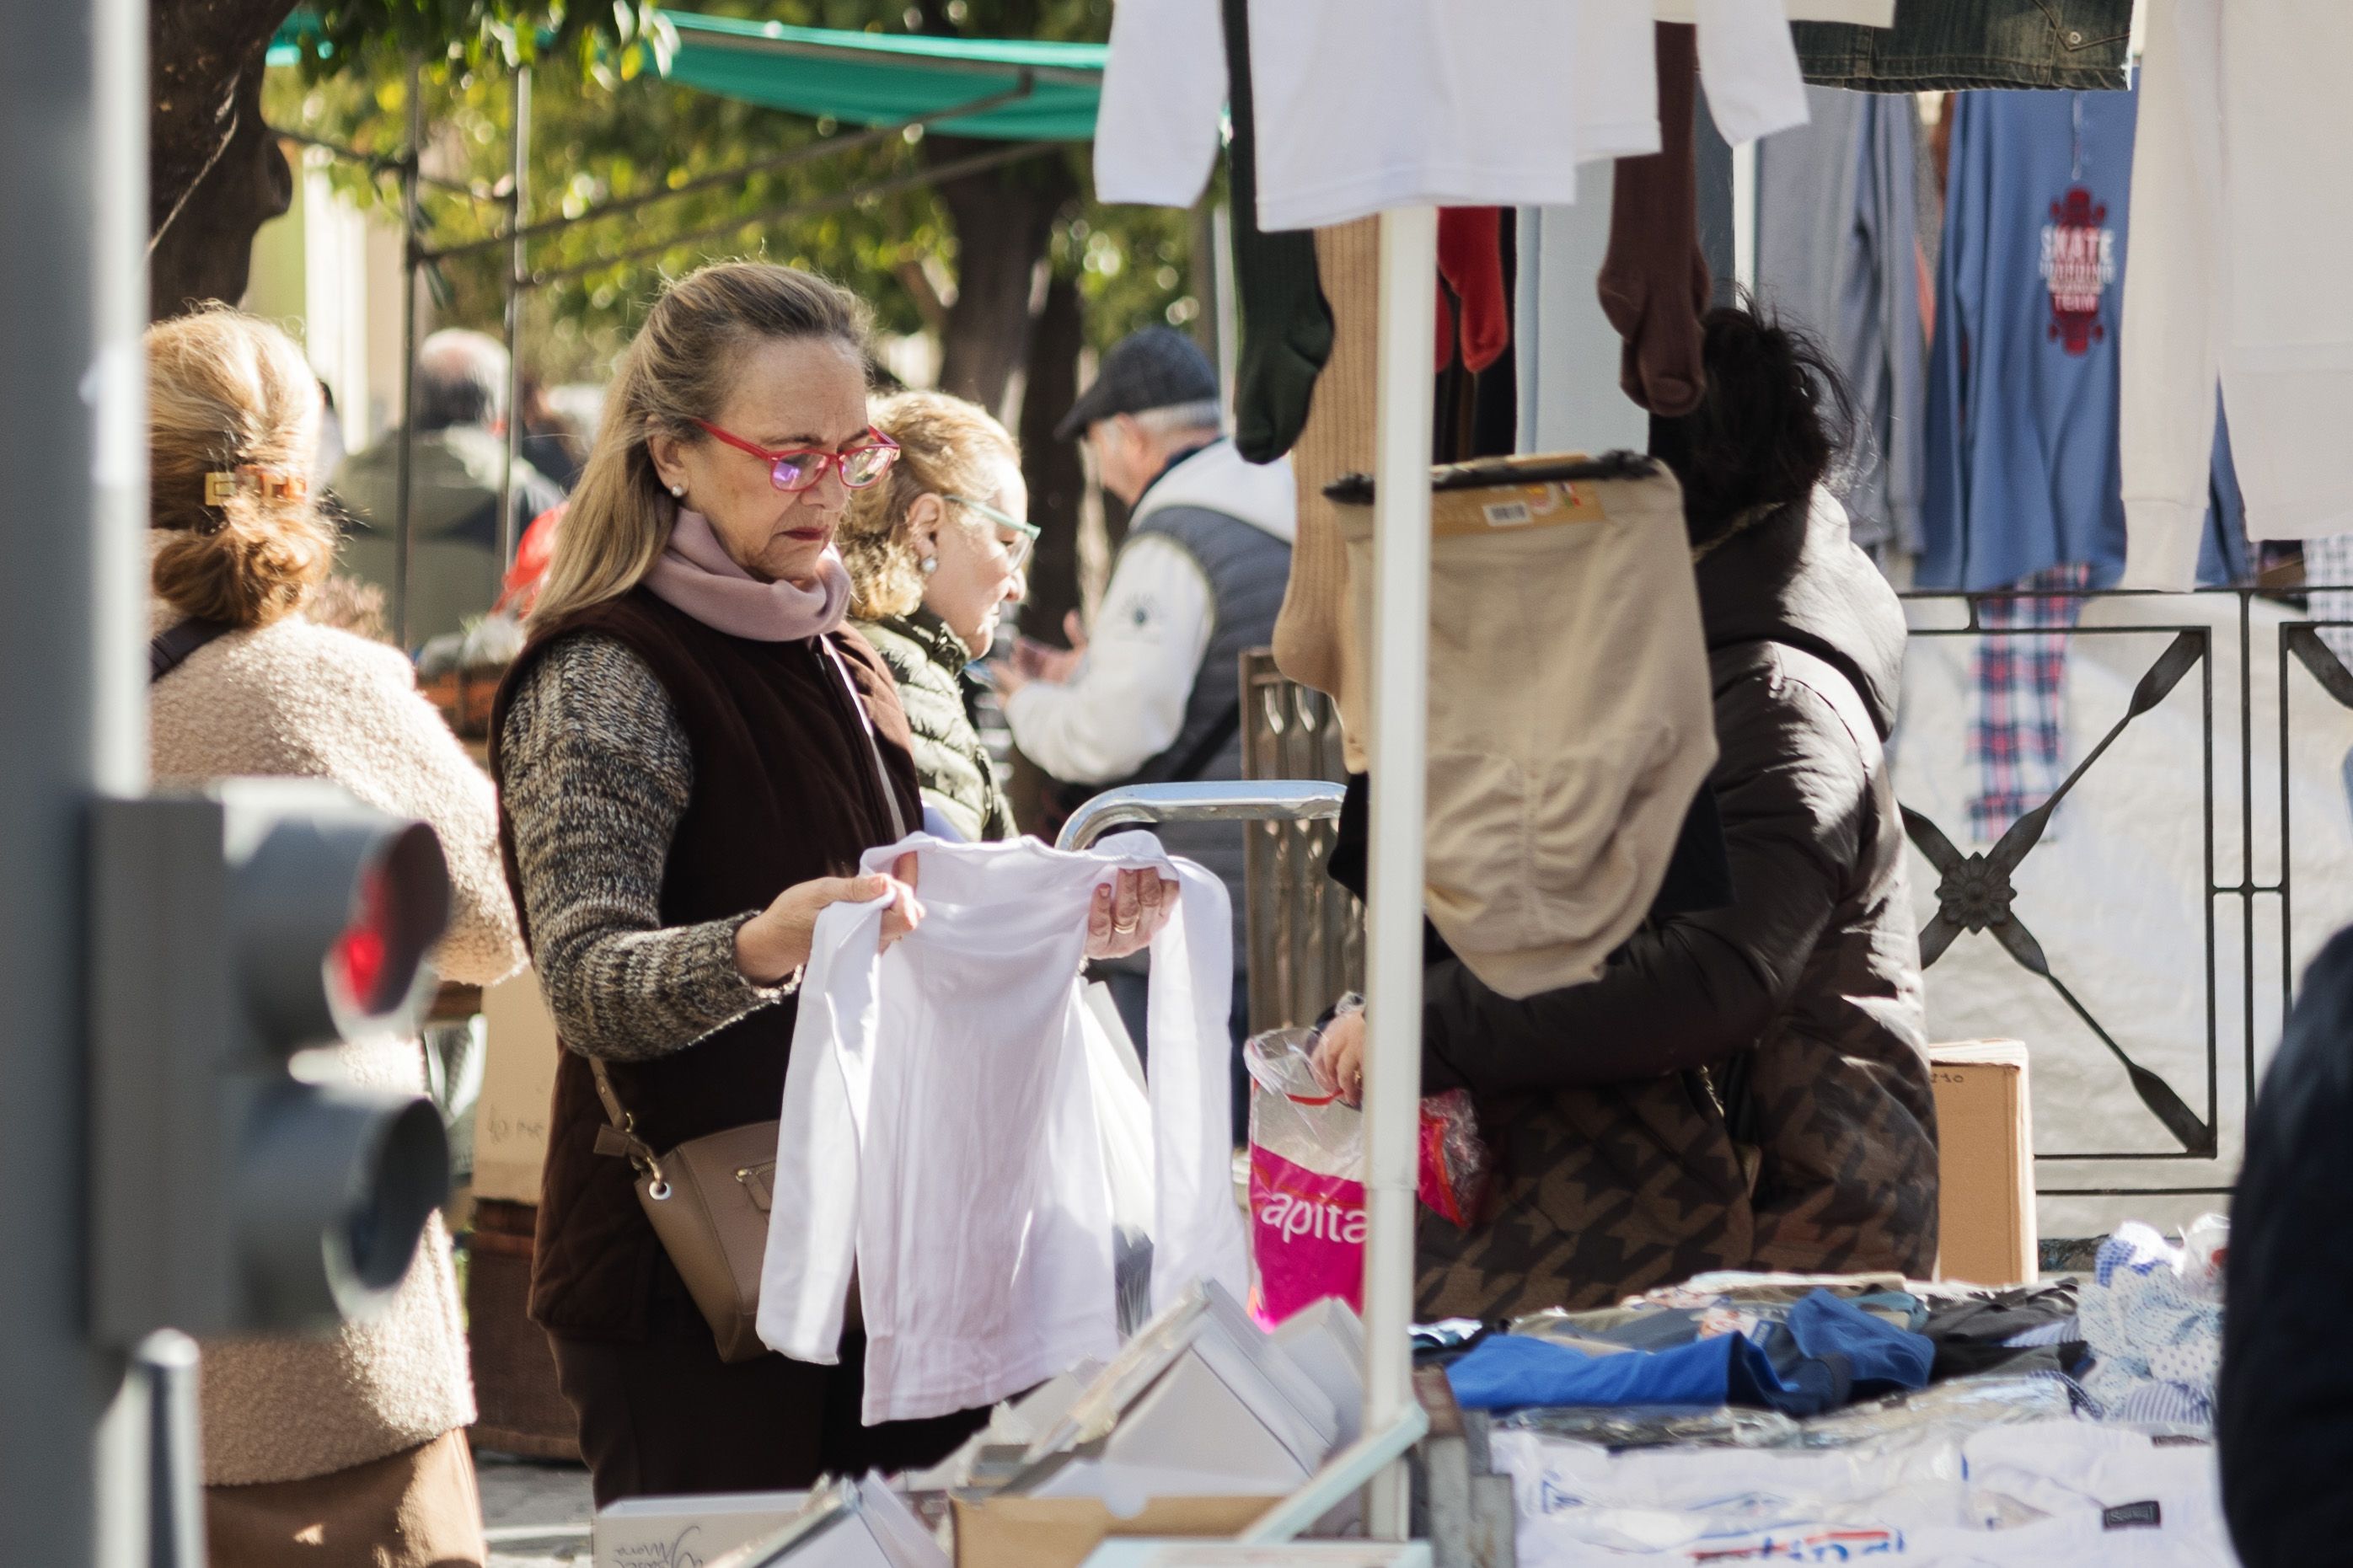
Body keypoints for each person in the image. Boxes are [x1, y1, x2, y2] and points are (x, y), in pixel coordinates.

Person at [489, 260, 1172, 1505]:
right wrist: (761, 945)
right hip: (695, 1283)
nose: (830, 490)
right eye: (791, 455)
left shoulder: (842, 647)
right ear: (673, 455)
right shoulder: (606, 672)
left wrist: (1061, 916)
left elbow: (916, 905)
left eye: (851, 455)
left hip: (885, 1262)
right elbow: (587, 985)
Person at [1313, 307, 1939, 1315]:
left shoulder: (1778, 698)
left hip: (1776, 1248)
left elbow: (1712, 975)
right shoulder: (1697, 651)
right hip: (1679, 1220)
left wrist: (1427, 1023)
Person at [144, 308, 526, 1567]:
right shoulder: (316, 685)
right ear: (292, 482)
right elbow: (492, 923)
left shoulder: (42, 678)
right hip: (312, 1337)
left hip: (88, 1344)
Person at [996, 326, 1294, 1078]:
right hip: (1293, 895)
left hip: (1206, 911)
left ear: (1127, 435)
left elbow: (1114, 733)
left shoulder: (1173, 535)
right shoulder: (1279, 510)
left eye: (1096, 442)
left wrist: (1027, 702)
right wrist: (1088, 667)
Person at [838, 390, 1032, 843]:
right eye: (1007, 543)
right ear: (927, 528)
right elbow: (950, 902)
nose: (1017, 586)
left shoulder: (862, 649)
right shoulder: (902, 682)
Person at [334, 328, 566, 650]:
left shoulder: (337, 491)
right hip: (476, 696)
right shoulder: (529, 502)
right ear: (498, 413)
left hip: (358, 689)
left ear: (413, 398)